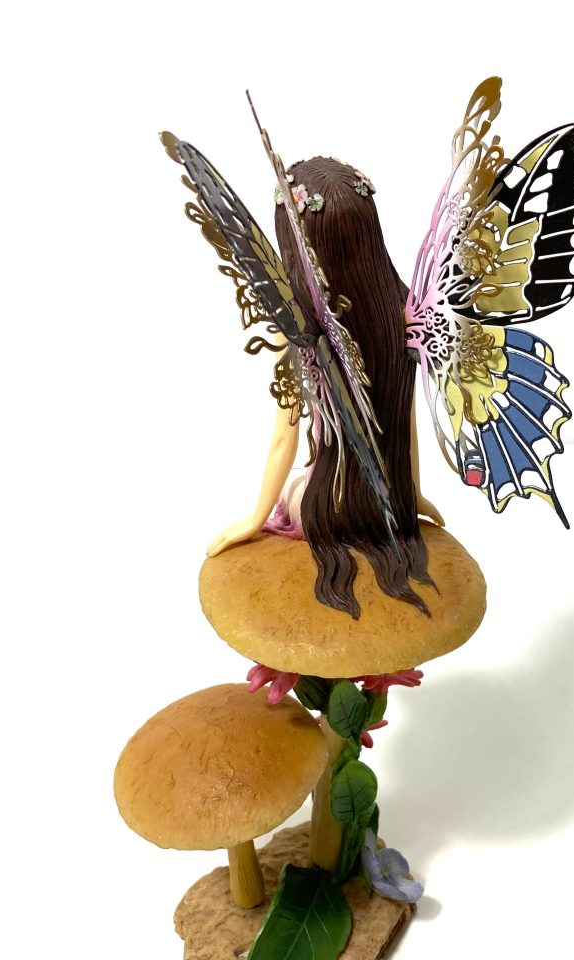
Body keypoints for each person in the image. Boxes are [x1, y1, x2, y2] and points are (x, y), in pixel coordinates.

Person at [205, 156, 444, 619]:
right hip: (390, 506)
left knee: (294, 489)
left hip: (326, 510)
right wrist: (412, 496)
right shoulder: (404, 311)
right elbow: (405, 419)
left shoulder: (298, 327)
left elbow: (285, 438)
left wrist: (256, 517)